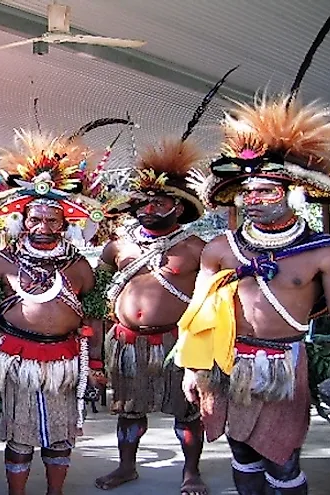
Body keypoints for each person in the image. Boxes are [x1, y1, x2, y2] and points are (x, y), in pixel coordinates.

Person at [177, 93, 330, 494]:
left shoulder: (325, 253)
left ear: (292, 193)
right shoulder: (220, 249)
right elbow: (197, 312)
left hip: (286, 363)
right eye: (248, 192)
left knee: (282, 459)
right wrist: (191, 368)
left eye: (267, 191)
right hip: (228, 362)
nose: (253, 200)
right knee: (241, 452)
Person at [92, 71, 237, 493]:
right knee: (128, 411)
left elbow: (220, 297)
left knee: (186, 410)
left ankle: (190, 472)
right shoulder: (117, 245)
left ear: (179, 206)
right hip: (126, 341)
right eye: (142, 202)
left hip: (178, 343)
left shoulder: (196, 247)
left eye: (159, 201)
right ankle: (126, 466)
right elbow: (94, 289)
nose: (148, 208)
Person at [0, 130, 102, 495]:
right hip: (15, 358)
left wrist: (95, 365)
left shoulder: (79, 266)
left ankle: (55, 492)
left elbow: (93, 317)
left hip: (64, 360)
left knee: (60, 435)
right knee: (19, 435)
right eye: (35, 220)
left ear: (65, 224)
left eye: (52, 221)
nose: (43, 228)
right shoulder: (1, 262)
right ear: (22, 221)